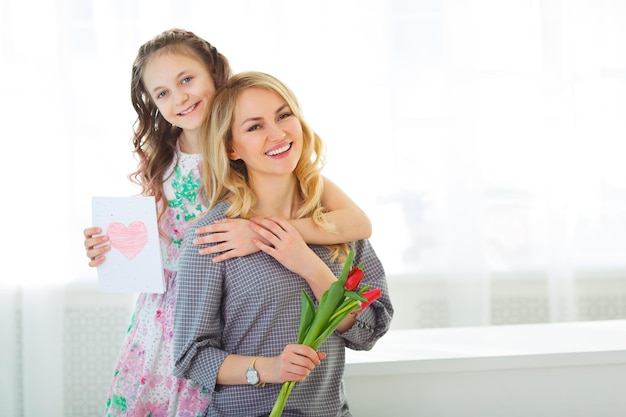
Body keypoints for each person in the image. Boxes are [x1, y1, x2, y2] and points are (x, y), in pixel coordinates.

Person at [82, 30, 373, 417]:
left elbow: (357, 222)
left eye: (187, 79)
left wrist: (262, 232)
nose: (180, 97)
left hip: (227, 314)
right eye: (163, 93)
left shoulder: (263, 158)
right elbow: (167, 241)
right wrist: (110, 248)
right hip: (166, 317)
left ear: (215, 73)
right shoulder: (163, 159)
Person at [173, 71, 393, 417]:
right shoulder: (214, 236)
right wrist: (269, 368)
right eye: (254, 126)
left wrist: (309, 265)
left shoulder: (336, 225)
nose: (277, 133)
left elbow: (368, 333)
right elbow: (191, 357)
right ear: (231, 147)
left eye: (283, 115)